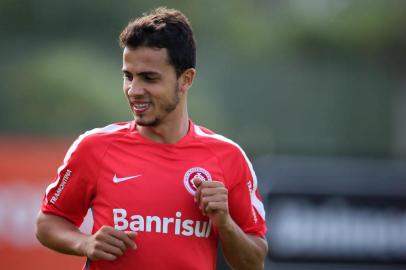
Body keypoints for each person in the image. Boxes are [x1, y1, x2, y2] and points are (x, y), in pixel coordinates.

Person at [35, 7, 268, 270]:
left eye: (149, 78)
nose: (134, 90)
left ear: (186, 79)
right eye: (128, 76)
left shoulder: (228, 157)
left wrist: (224, 223)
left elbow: (253, 262)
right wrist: (84, 243)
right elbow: (48, 222)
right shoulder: (93, 147)